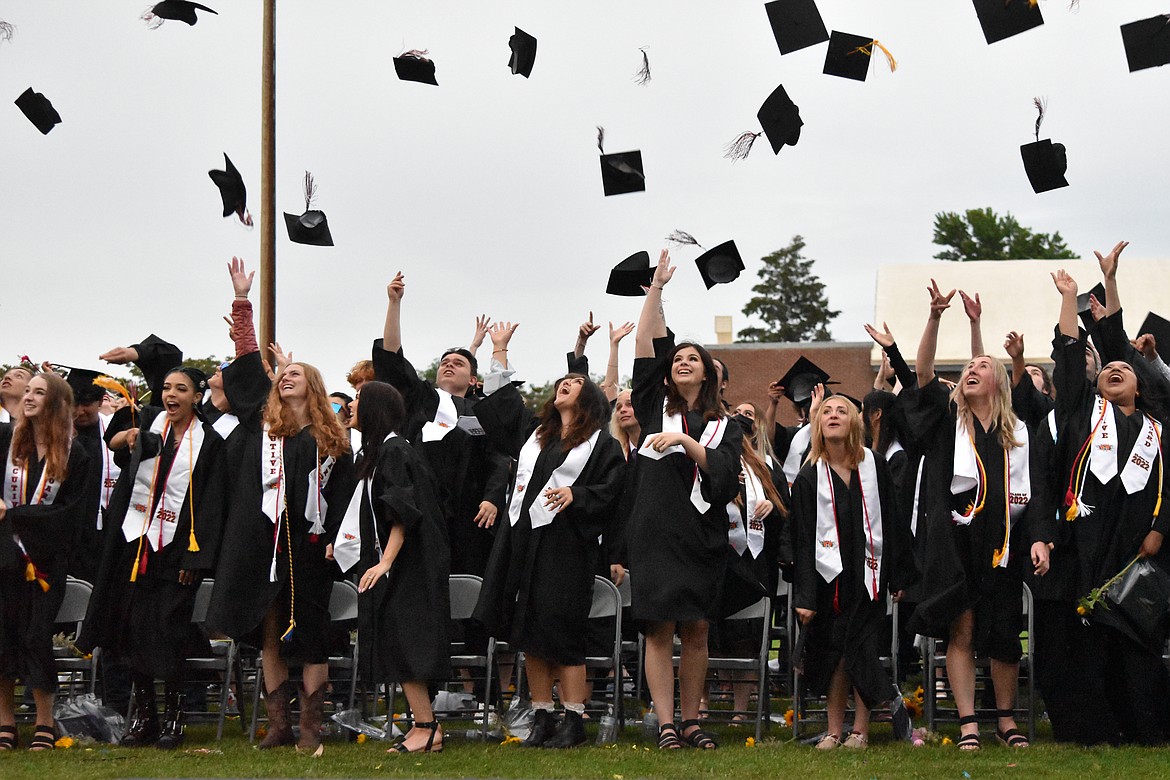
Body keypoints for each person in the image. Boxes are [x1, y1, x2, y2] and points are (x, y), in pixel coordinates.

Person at [205, 261, 355, 754]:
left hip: (309, 546)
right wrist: (242, 303)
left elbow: (341, 498)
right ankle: (279, 724)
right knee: (269, 630)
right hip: (261, 542)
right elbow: (249, 368)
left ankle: (311, 725)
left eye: (295, 374)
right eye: (282, 375)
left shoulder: (331, 440)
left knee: (310, 633)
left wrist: (334, 538)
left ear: (312, 385)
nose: (285, 379)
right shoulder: (262, 428)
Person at [905, 280, 1050, 751]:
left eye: (981, 366)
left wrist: (1039, 537)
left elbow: (1038, 491)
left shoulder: (1019, 433)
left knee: (1006, 632)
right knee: (961, 627)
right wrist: (935, 316)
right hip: (957, 538)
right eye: (968, 366)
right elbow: (922, 373)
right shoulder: (951, 422)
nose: (972, 369)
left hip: (1005, 537)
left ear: (999, 382)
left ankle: (1006, 720)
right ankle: (969, 722)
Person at [471, 322, 626, 748]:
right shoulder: (535, 437)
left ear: (590, 399)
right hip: (522, 542)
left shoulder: (600, 445)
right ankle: (541, 716)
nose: (566, 385)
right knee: (527, 633)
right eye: (563, 381)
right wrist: (499, 352)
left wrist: (577, 493)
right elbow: (501, 410)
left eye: (576, 382)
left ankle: (574, 720)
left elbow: (613, 491)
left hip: (566, 548)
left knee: (560, 631)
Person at [626, 250, 742, 750]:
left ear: (709, 374)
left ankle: (692, 720)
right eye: (677, 360)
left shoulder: (725, 425)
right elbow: (644, 340)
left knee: (695, 628)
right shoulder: (655, 407)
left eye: (692, 358)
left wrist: (688, 444)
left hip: (700, 535)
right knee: (658, 629)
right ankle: (666, 722)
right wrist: (655, 287)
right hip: (655, 530)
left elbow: (724, 478)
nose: (682, 363)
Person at [1050, 262, 1170, 744]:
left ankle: (1146, 726)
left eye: (1126, 369)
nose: (1116, 369)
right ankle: (1097, 729)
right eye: (1108, 369)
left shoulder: (1158, 426)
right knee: (1092, 638)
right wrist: (1070, 297)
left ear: (1141, 387)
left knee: (1139, 637)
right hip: (1090, 538)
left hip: (1144, 542)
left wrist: (1161, 527)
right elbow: (1070, 357)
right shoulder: (1081, 415)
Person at [79, 365, 227, 749]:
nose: (171, 395)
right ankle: (145, 716)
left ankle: (175, 718)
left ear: (198, 396)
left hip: (177, 554)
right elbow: (117, 453)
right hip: (134, 545)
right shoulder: (149, 429)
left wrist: (194, 563)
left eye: (181, 388)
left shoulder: (210, 443)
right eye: (165, 387)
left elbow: (212, 505)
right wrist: (125, 439)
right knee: (129, 632)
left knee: (167, 633)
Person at [333, 381, 452, 754]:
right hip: (397, 560)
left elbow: (403, 510)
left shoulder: (396, 450)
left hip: (410, 563)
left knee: (407, 642)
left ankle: (427, 726)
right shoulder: (379, 452)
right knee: (397, 640)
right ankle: (423, 725)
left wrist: (385, 561)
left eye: (357, 401)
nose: (350, 406)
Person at [792, 387, 913, 749]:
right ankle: (834, 729)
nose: (833, 415)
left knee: (862, 648)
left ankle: (859, 729)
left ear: (855, 421)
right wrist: (805, 595)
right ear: (818, 422)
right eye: (826, 410)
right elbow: (800, 540)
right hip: (828, 581)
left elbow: (893, 521)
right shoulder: (809, 476)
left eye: (842, 410)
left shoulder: (874, 466)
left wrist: (900, 574)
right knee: (836, 656)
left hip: (868, 577)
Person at [0, 372, 90, 751]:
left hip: (47, 561)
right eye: (29, 391)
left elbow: (72, 513)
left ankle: (44, 723)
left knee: (37, 637)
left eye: (39, 392)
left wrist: (14, 515)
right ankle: (5, 724)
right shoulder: (5, 441)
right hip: (3, 556)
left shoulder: (76, 453)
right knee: (2, 636)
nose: (30, 397)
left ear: (54, 402)